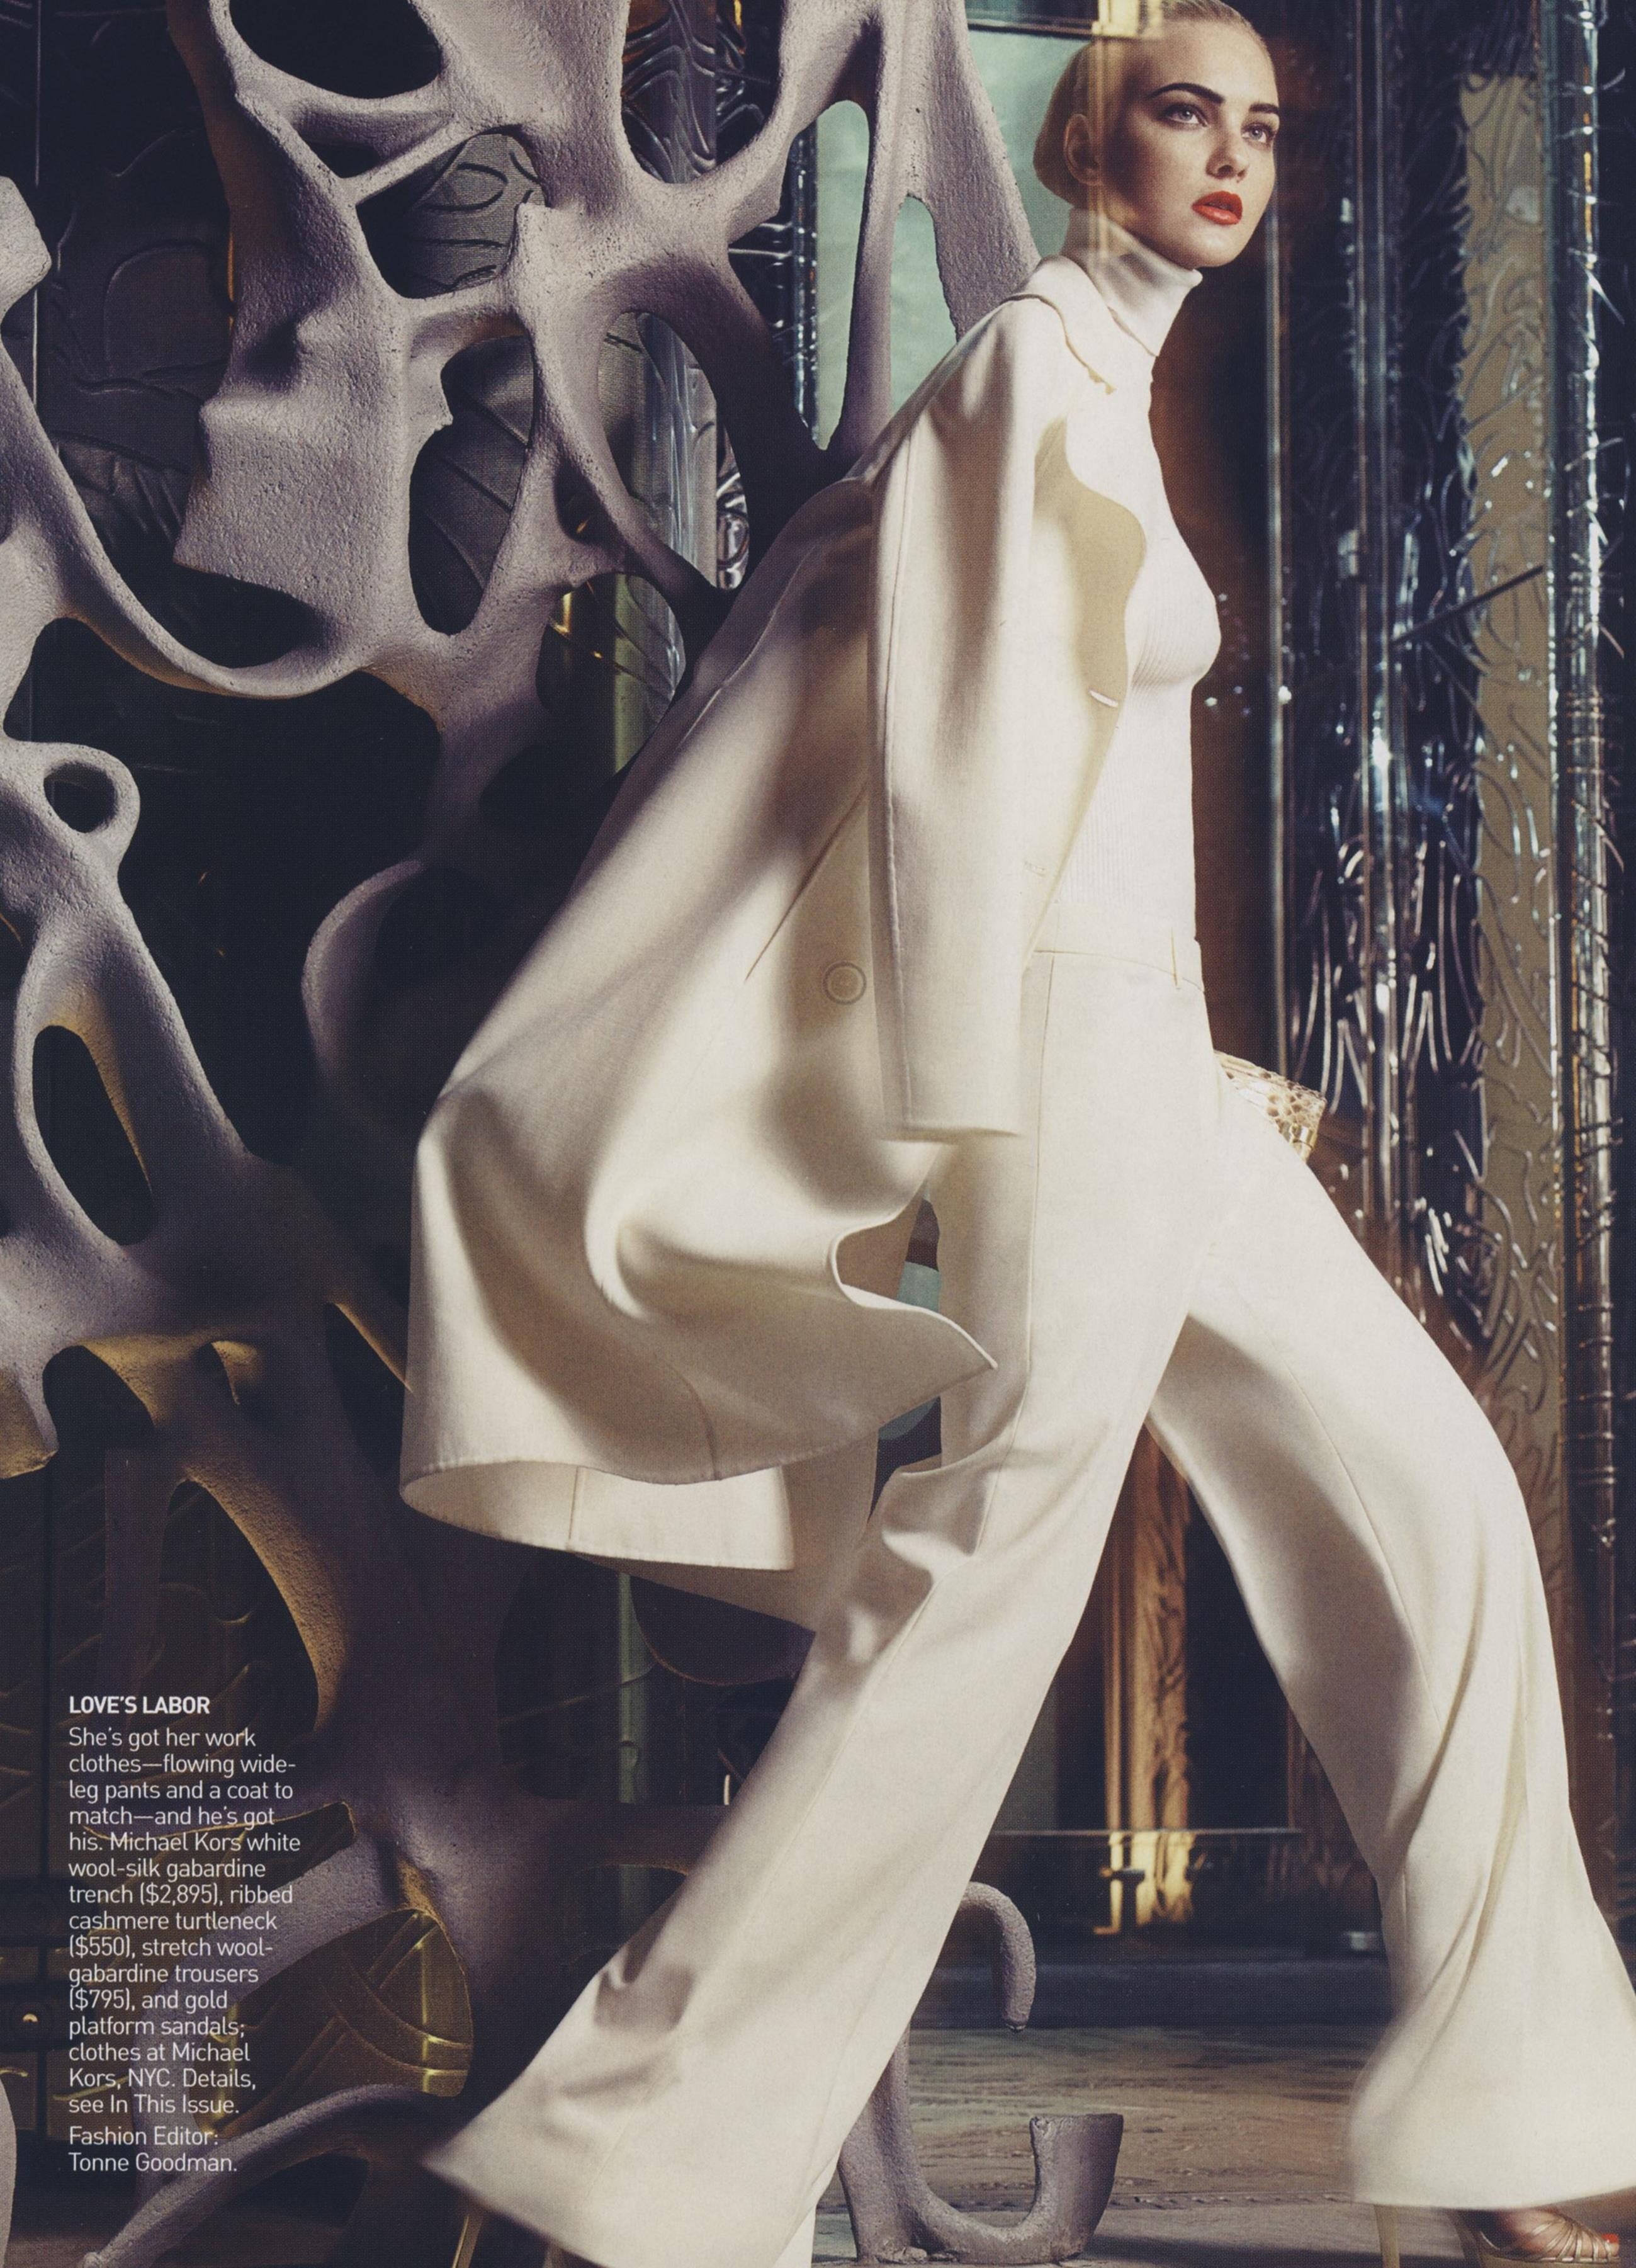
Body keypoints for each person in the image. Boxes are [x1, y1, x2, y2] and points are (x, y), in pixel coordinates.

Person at [401, 6, 1636, 2262]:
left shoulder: (1112, 390)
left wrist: (1179, 1069)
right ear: (1088, 142)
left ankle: (1509, 2110)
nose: (1232, 157)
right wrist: (982, 1122)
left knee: (1440, 1494)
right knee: (978, 1594)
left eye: (1261, 128)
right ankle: (634, 2154)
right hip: (1058, 1070)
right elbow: (955, 780)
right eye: (1184, 114)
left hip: (1153, 1068)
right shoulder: (1024, 377)